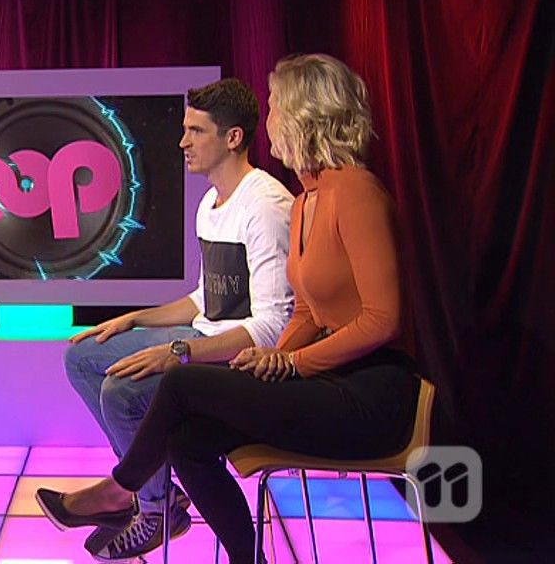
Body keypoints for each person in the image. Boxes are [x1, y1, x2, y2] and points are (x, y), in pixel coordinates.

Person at [36, 54, 420, 564]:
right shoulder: (308, 199)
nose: (270, 119)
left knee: (180, 381)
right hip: (320, 379)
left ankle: (123, 490)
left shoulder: (354, 191)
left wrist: (289, 362)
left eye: (277, 107)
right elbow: (304, 314)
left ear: (307, 115)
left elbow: (383, 320)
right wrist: (270, 363)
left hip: (369, 391)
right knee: (186, 439)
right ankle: (244, 556)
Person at [62, 78, 293, 560]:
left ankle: (152, 508)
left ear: (233, 138)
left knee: (121, 391)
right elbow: (207, 299)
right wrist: (136, 320)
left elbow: (272, 329)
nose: (183, 142)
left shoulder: (266, 207)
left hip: (242, 359)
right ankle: (160, 497)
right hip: (203, 335)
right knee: (83, 357)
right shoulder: (211, 202)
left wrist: (178, 352)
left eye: (196, 131)